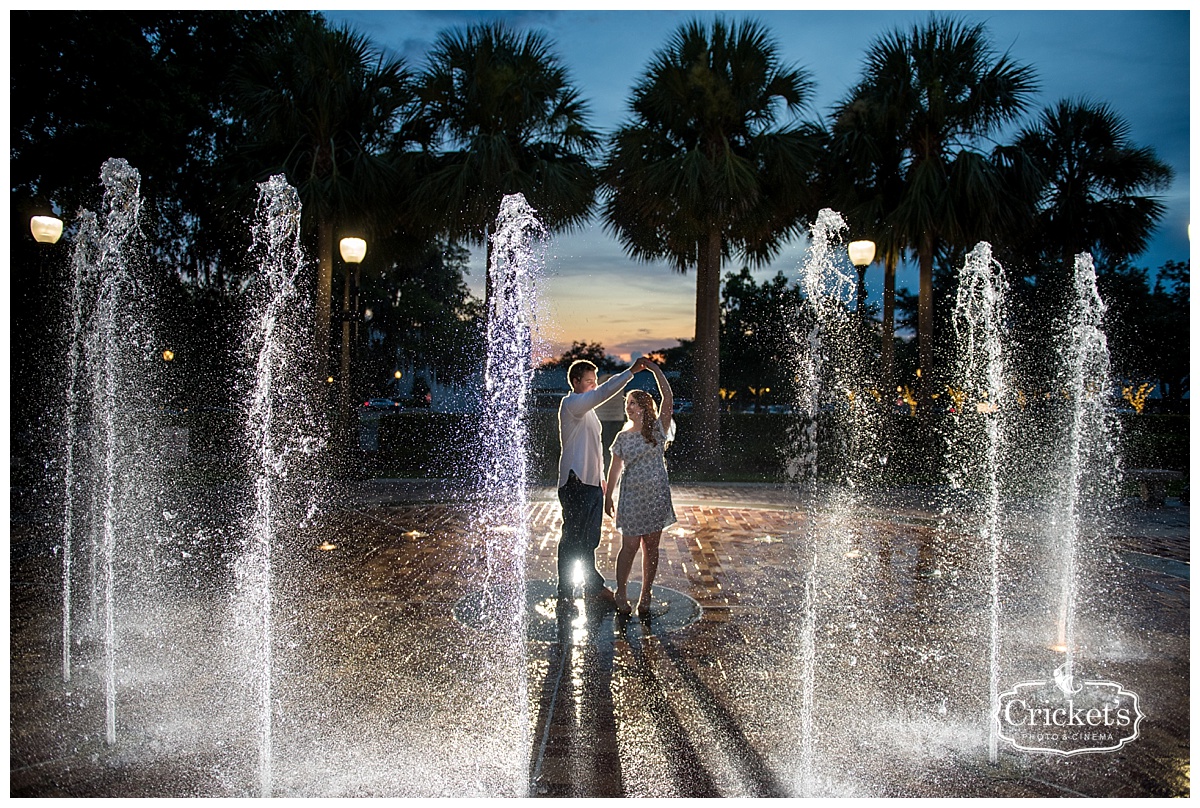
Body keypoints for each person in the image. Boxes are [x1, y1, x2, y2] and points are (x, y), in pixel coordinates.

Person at [557, 356, 648, 606]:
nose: (594, 385)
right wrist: (630, 372)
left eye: (595, 380)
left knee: (589, 539)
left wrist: (600, 481)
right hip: (575, 483)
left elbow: (593, 448)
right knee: (573, 539)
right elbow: (604, 394)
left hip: (590, 483)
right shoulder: (572, 404)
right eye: (589, 381)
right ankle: (570, 590)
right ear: (575, 382)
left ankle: (589, 587)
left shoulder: (587, 412)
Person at [603, 359, 676, 618]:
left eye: (632, 402)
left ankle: (646, 594)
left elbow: (668, 397)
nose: (628, 406)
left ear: (644, 406)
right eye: (627, 403)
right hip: (631, 498)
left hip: (655, 497)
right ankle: (621, 592)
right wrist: (608, 496)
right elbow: (614, 469)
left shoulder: (658, 429)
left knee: (651, 548)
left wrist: (655, 369)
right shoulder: (622, 437)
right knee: (630, 546)